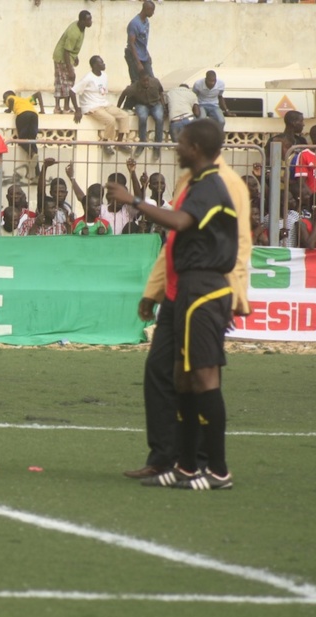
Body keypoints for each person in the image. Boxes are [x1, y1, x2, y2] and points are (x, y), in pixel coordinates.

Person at [110, 120, 239, 490]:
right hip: (183, 290)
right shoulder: (197, 185)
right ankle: (181, 464)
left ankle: (216, 469)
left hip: (204, 291)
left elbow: (181, 223)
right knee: (179, 376)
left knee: (203, 377)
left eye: (181, 143)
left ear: (196, 148)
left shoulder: (212, 185)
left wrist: (134, 201)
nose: (176, 148)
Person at [72, 55, 132, 154]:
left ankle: (120, 143)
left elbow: (102, 91)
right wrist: (77, 110)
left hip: (104, 104)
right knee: (110, 120)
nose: (104, 64)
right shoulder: (88, 78)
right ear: (95, 65)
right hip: (92, 106)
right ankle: (106, 144)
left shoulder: (104, 75)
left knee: (124, 116)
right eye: (101, 63)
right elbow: (72, 92)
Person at [52, 10, 92, 115]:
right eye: (88, 20)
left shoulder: (81, 27)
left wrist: (75, 56)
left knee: (61, 81)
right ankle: (65, 108)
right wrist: (70, 69)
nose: (90, 22)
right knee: (68, 80)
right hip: (63, 57)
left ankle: (58, 108)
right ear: (82, 21)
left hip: (66, 55)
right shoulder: (74, 32)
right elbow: (66, 51)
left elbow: (71, 48)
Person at [119, 70, 165, 159]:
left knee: (159, 118)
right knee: (142, 118)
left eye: (147, 80)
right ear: (139, 80)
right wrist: (118, 108)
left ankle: (157, 146)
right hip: (142, 104)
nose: (146, 82)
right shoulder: (134, 87)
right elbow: (123, 94)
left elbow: (161, 93)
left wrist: (163, 106)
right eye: (144, 81)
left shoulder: (155, 82)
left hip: (155, 104)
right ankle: (142, 144)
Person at [3, 90, 46, 168]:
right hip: (34, 115)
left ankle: (31, 153)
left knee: (22, 140)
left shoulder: (10, 97)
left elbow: (11, 100)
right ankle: (37, 172)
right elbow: (38, 94)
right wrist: (42, 110)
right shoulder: (25, 100)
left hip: (22, 114)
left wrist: (9, 110)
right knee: (32, 141)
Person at [125, 1, 156, 84]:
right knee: (137, 82)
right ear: (147, 9)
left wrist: (147, 54)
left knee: (151, 80)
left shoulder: (146, 22)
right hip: (134, 56)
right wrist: (138, 62)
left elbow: (142, 41)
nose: (153, 13)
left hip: (143, 55)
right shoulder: (134, 23)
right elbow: (132, 44)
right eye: (152, 11)